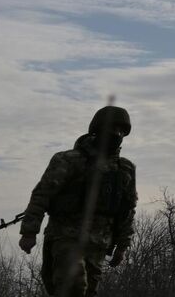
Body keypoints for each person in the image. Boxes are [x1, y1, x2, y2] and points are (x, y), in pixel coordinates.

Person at [19, 106, 137, 297]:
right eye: (112, 129)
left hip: (99, 244)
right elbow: (42, 195)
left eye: (121, 131)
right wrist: (29, 232)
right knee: (74, 286)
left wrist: (123, 246)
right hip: (65, 237)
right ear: (98, 129)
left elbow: (127, 209)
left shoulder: (125, 169)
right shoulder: (68, 160)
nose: (117, 134)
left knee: (87, 292)